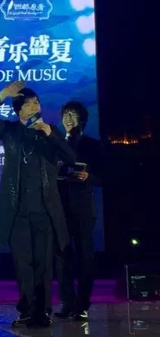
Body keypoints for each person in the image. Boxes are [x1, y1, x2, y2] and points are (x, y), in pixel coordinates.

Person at [0, 81, 76, 328]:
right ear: (19, 110)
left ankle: (43, 311)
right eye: (29, 104)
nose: (34, 107)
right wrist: (2, 94)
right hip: (17, 211)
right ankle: (26, 311)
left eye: (37, 103)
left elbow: (71, 158)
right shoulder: (9, 131)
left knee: (44, 264)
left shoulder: (50, 133)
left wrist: (50, 135)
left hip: (45, 210)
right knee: (23, 265)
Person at [55, 101, 104, 321]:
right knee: (62, 257)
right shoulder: (55, 144)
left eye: (72, 115)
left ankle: (82, 304)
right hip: (60, 207)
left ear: (82, 120)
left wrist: (89, 177)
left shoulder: (93, 146)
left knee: (85, 256)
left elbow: (106, 177)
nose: (68, 119)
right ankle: (68, 302)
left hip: (83, 209)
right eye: (65, 115)